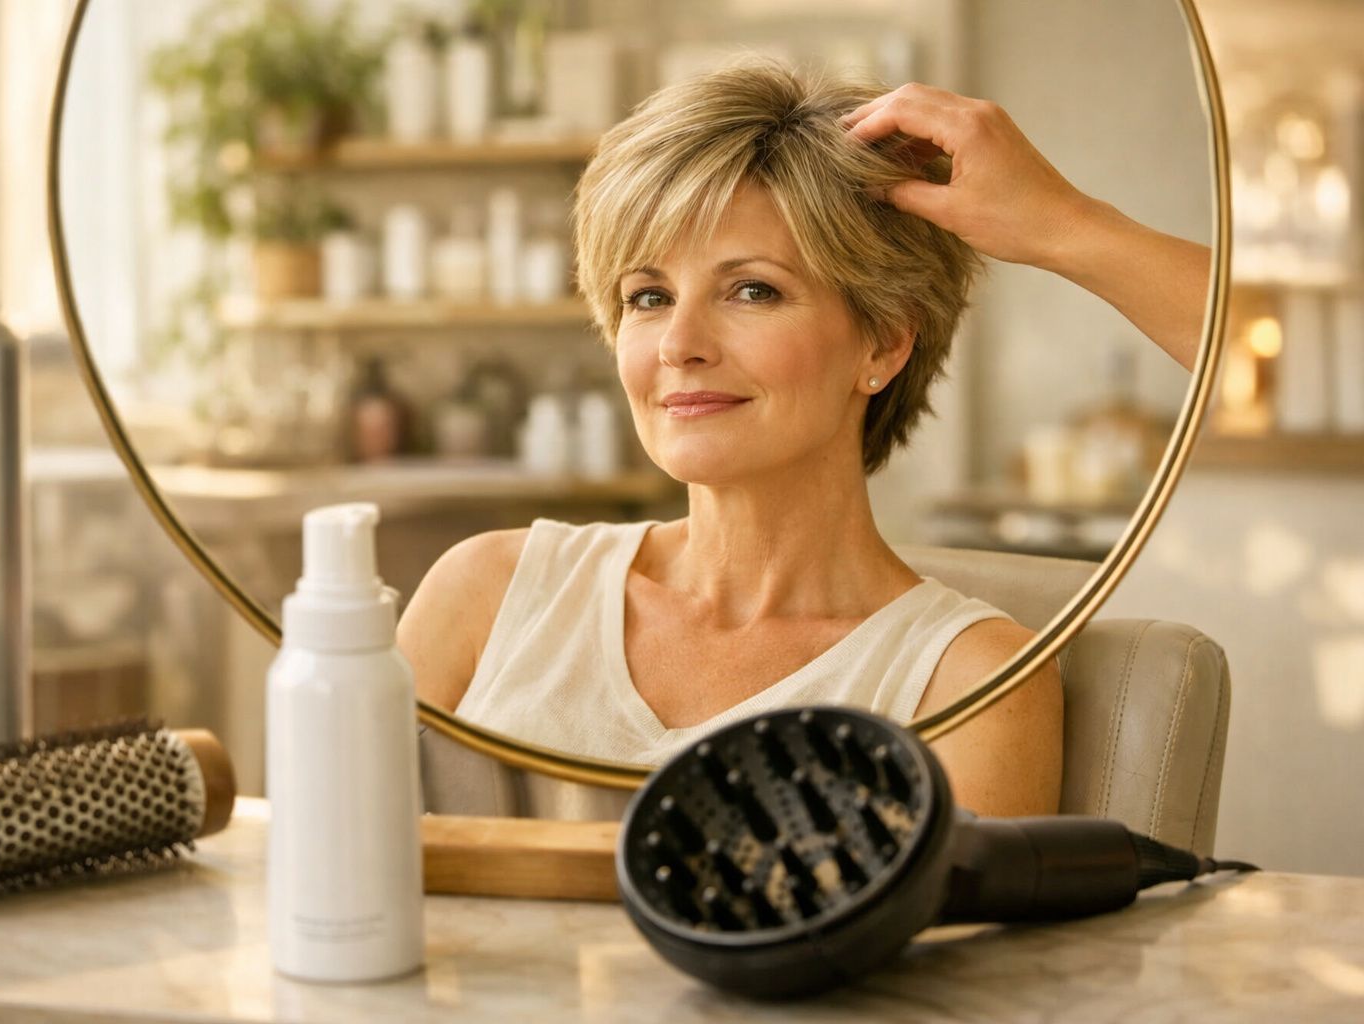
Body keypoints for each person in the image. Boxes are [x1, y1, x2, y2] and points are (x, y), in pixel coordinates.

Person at [399, 62, 1209, 818]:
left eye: (753, 289)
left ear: (883, 344)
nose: (680, 342)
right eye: (647, 296)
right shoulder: (484, 596)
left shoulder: (968, 684)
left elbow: (950, 974)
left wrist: (1063, 223)